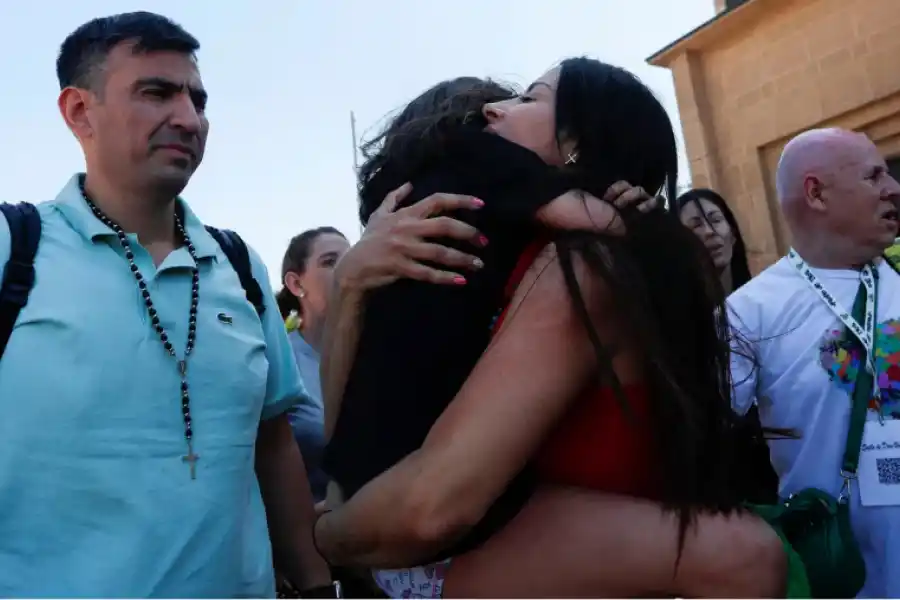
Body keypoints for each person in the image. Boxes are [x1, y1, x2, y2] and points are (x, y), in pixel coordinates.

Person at [317, 61, 788, 598]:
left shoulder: (582, 267)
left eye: (527, 100)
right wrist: (350, 287)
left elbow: (431, 504)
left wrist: (329, 535)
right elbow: (353, 440)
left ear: (575, 144)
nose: (491, 116)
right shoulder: (518, 270)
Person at [0, 12, 331, 597]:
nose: (188, 118)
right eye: (156, 92)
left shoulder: (237, 265)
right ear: (80, 112)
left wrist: (313, 585)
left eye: (197, 99)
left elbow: (272, 442)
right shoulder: (14, 249)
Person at [729, 127, 900, 597]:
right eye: (874, 176)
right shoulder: (748, 313)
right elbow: (693, 441)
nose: (893, 188)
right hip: (842, 577)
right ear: (816, 193)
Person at [677, 188, 780, 505]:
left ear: (733, 233)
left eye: (715, 219)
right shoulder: (677, 320)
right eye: (695, 225)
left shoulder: (769, 303)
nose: (709, 232)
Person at [276, 227, 351, 506]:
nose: (349, 269)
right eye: (330, 262)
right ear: (296, 285)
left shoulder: (387, 351)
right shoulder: (278, 363)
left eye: (354, 257)